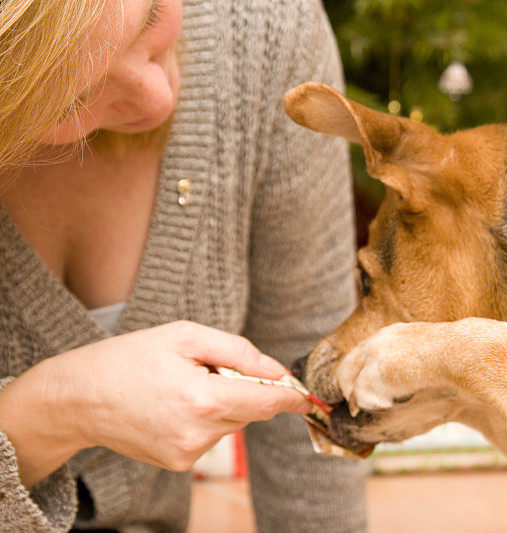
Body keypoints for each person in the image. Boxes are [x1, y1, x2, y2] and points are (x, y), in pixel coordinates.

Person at [0, 0, 367, 531]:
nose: (159, 97)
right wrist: (61, 408)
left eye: (150, 17)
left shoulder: (266, 29)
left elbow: (306, 400)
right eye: (69, 99)